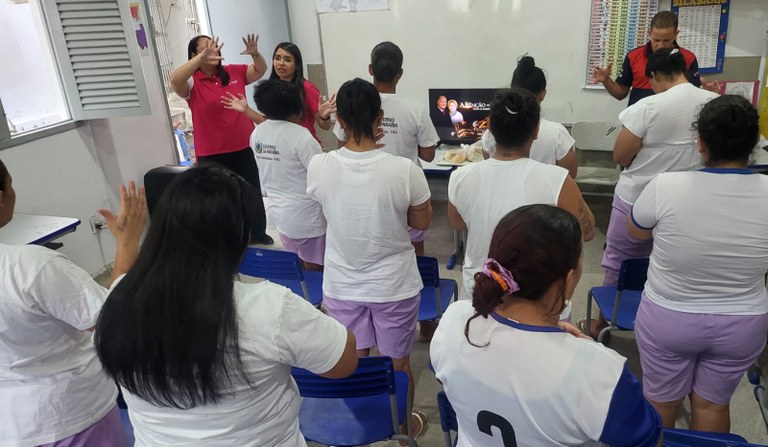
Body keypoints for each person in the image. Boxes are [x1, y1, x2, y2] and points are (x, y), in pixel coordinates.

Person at [94, 166, 357, 446]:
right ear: (240, 236)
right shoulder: (269, 308)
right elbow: (343, 363)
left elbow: (119, 286)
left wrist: (126, 243)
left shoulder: (120, 302)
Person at [431, 205, 662, 446]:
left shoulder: (454, 320)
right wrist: (587, 352)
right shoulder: (600, 372)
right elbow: (650, 440)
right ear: (570, 277)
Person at [628, 95, 768, 433]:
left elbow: (635, 233)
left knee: (661, 401)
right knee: (712, 404)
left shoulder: (666, 185)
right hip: (743, 322)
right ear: (754, 144)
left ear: (700, 142)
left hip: (669, 316)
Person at [307, 78, 433, 439]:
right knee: (399, 362)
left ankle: (362, 429)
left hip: (342, 285)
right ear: (380, 117)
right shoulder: (403, 170)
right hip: (394, 284)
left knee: (356, 361)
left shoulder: (320, 166)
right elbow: (421, 224)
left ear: (340, 119)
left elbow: (327, 207)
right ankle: (404, 428)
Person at [0, 158, 146, 446]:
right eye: (11, 185)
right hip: (70, 416)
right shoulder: (29, 267)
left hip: (12, 426)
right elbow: (113, 323)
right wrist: (127, 243)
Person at [585, 48, 719, 338]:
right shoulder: (714, 103)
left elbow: (621, 155)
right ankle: (666, 322)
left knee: (620, 260)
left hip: (638, 197)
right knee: (675, 261)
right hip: (692, 201)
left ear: (655, 76)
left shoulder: (648, 107)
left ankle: (602, 324)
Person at [448, 88, 595, 307]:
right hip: (539, 302)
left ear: (490, 130)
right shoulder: (558, 180)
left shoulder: (460, 177)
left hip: (481, 292)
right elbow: (589, 231)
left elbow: (458, 223)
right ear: (536, 130)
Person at [332, 41, 439, 256]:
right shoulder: (415, 108)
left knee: (372, 239)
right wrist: (407, 143)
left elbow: (341, 145)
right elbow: (428, 155)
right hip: (405, 189)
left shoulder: (355, 103)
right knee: (413, 246)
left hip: (362, 187)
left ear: (370, 70)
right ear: (399, 74)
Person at [170, 34, 273, 245]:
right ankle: (224, 240)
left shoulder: (233, 71)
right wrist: (199, 60)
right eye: (206, 48)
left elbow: (260, 70)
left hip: (242, 146)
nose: (213, 51)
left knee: (249, 192)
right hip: (212, 152)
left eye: (215, 46)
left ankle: (257, 234)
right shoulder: (192, 81)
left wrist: (255, 53)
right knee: (217, 199)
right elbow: (174, 80)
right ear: (193, 55)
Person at [250, 79, 325, 270]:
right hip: (308, 217)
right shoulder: (301, 136)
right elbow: (322, 176)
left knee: (296, 261)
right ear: (296, 108)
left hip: (279, 214)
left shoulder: (257, 133)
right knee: (316, 269)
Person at [481, 55, 578, 178]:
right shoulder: (557, 133)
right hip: (543, 195)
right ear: (542, 94)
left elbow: (489, 165)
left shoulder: (491, 133)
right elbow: (570, 175)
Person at [224, 42, 336, 143]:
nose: (281, 63)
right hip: (279, 147)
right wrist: (246, 110)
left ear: (296, 65)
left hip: (303, 145)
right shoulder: (269, 88)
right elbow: (269, 124)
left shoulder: (307, 88)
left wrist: (324, 117)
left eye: (287, 59)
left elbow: (325, 126)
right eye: (277, 58)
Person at [593, 11, 701, 106]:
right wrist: (606, 81)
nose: (661, 45)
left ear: (675, 34)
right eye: (657, 40)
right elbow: (620, 94)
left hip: (673, 121)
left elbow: (692, 95)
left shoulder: (688, 58)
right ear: (649, 34)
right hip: (637, 122)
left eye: (666, 40)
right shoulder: (633, 56)